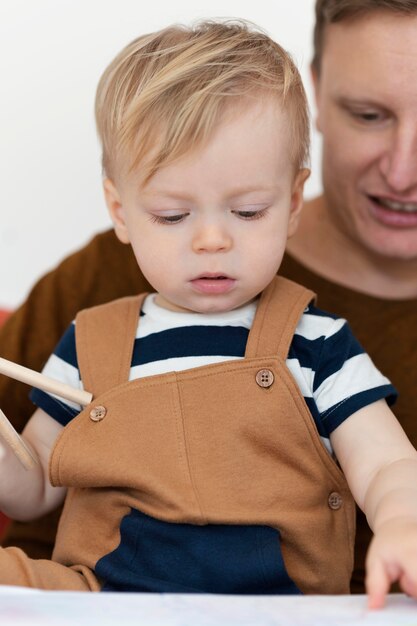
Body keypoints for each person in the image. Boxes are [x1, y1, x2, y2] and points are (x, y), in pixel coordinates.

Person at [0, 0, 416, 595]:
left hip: (277, 602)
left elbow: (389, 463)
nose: (213, 240)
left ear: (293, 201)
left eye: (248, 211)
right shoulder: (90, 341)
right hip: (100, 595)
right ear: (121, 211)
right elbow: (38, 485)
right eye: (172, 215)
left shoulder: (318, 342)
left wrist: (404, 521)